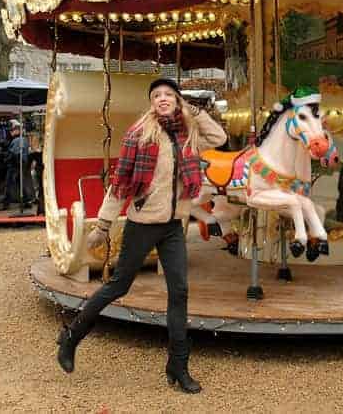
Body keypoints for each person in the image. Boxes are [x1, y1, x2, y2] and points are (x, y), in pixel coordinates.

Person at [56, 78, 227, 394]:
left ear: (176, 100)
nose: (163, 99)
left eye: (168, 95)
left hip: (174, 225)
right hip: (143, 224)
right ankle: (71, 336)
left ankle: (178, 364)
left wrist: (193, 110)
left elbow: (219, 136)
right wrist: (103, 225)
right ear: (152, 103)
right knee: (119, 285)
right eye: (157, 95)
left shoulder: (187, 134)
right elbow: (120, 184)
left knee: (180, 291)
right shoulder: (139, 135)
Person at [0, 120, 33, 211]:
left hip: (14, 165)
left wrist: (5, 157)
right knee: (20, 182)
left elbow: (13, 154)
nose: (11, 132)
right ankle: (27, 201)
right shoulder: (24, 139)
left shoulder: (17, 140)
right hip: (21, 164)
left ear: (17, 130)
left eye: (12, 130)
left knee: (9, 184)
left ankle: (6, 204)